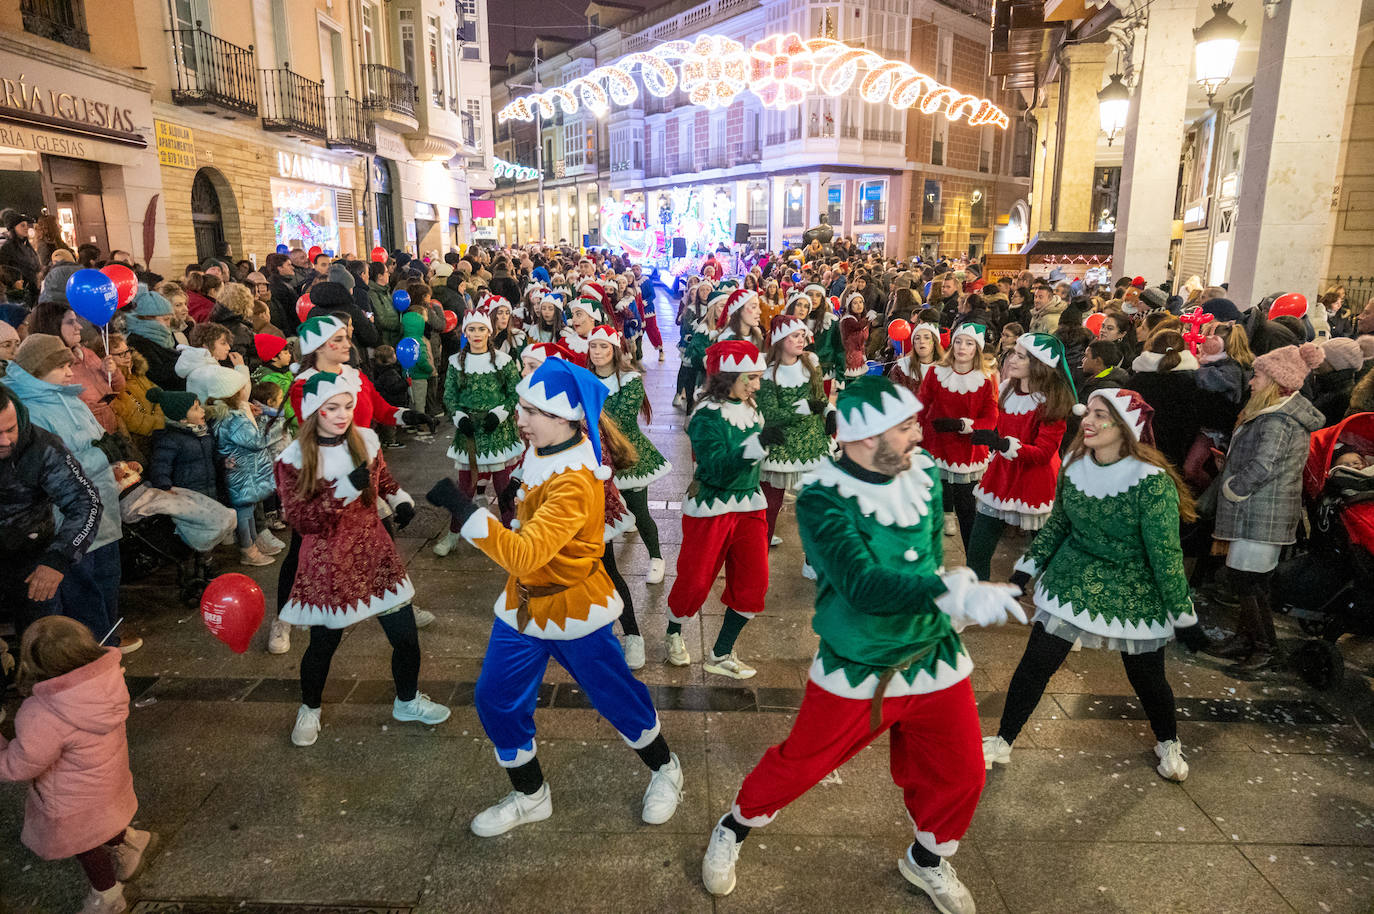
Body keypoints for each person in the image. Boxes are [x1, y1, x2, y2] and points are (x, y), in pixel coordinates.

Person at [701, 375, 1024, 913]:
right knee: (801, 763)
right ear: (862, 437)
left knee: (962, 772)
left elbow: (923, 560)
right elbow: (862, 584)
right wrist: (951, 593)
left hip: (932, 657)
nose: (918, 437)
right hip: (860, 664)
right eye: (904, 428)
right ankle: (734, 826)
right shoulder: (824, 500)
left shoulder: (920, 473)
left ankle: (925, 862)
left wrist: (955, 605)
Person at [425, 357, 684, 837]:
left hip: (573, 609)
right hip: (523, 607)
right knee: (496, 698)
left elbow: (524, 554)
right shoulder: (547, 450)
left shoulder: (574, 481)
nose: (519, 418)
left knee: (615, 696)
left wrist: (464, 509)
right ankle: (530, 795)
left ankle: (666, 768)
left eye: (530, 410)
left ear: (564, 417)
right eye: (520, 407)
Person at [985, 389, 1198, 781]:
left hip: (1133, 585)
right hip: (1074, 576)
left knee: (1147, 677)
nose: (1088, 421)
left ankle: (1168, 740)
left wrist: (1183, 614)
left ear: (1125, 428)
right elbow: (1059, 525)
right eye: (1089, 412)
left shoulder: (1152, 483)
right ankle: (1002, 740)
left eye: (1102, 415)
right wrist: (1025, 571)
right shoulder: (1074, 466)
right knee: (1037, 662)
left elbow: (1165, 552)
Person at [275, 371, 446, 746]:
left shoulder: (366, 440)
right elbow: (302, 519)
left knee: (405, 637)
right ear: (313, 411)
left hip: (373, 551)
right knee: (323, 643)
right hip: (328, 559)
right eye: (331, 408)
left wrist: (399, 498)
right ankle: (310, 708)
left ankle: (407, 700)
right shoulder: (293, 459)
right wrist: (345, 490)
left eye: (347, 406)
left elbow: (381, 477)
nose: (342, 415)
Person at [0, 616, 155, 914]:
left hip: (72, 800)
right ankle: (130, 841)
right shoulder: (106, 681)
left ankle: (107, 896)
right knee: (103, 821)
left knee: (85, 846)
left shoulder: (42, 713)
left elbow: (21, 766)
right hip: (108, 781)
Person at [4, 336, 134, 653]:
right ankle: (91, 652)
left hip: (101, 508)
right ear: (38, 368)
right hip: (69, 524)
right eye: (61, 366)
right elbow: (55, 471)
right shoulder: (28, 412)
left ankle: (108, 640)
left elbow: (92, 441)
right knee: (83, 591)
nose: (70, 372)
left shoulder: (70, 398)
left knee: (106, 580)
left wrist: (111, 456)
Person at [1204, 344, 1325, 673]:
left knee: (1249, 582)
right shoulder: (1272, 413)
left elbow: (1263, 466)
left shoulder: (1279, 420)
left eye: (1257, 376)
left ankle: (1265, 648)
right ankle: (1247, 639)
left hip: (1261, 512)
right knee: (1245, 580)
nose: (1251, 382)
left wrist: (1233, 487)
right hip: (1255, 511)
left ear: (1275, 382)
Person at [666, 340, 771, 679]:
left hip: (750, 505)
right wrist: (758, 445)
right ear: (729, 376)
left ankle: (721, 652)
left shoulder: (751, 406)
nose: (756, 385)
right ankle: (673, 632)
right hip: (711, 506)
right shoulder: (705, 415)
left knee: (754, 581)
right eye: (751, 378)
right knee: (695, 582)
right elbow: (716, 468)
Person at [966, 333, 1080, 581]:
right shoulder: (1007, 389)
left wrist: (1001, 443)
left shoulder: (1053, 400)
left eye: (1020, 355)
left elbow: (1043, 453)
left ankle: (1047, 607)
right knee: (977, 550)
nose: (1012, 360)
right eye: (1013, 353)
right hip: (1002, 476)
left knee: (1045, 555)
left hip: (1035, 482)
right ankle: (976, 602)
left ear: (1038, 363)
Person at [0, 385, 102, 638]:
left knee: (42, 641)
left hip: (30, 560)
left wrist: (59, 558)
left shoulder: (42, 447)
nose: (4, 441)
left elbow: (85, 502)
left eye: (10, 430)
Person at [433, 309, 525, 555]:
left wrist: (501, 413)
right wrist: (459, 416)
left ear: (489, 332)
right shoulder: (455, 362)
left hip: (498, 432)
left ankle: (511, 535)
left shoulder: (503, 361)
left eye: (481, 329)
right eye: (471, 329)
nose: (476, 334)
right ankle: (453, 535)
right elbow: (449, 395)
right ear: (465, 332)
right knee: (465, 487)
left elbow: (515, 391)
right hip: (469, 433)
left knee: (504, 486)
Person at [588, 323, 671, 587]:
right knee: (602, 512)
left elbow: (621, 418)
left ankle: (657, 557)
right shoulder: (585, 378)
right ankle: (606, 567)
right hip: (595, 458)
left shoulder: (631, 379)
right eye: (593, 346)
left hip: (627, 457)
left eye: (603, 346)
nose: (598, 352)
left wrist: (584, 418)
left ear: (614, 350)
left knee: (639, 510)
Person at [757, 314, 834, 575]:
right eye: (795, 336)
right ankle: (757, 560)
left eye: (802, 335)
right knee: (769, 507)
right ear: (780, 340)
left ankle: (812, 559)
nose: (802, 340)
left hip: (813, 444)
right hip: (781, 447)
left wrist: (829, 412)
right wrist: (804, 408)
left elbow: (820, 397)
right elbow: (770, 414)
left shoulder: (811, 363)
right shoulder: (769, 375)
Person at [917, 323, 999, 550]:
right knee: (931, 507)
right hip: (936, 447)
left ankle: (974, 563)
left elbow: (991, 418)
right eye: (959, 341)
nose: (962, 347)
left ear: (977, 349)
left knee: (966, 510)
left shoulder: (986, 378)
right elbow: (921, 406)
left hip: (967, 452)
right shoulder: (936, 372)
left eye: (969, 343)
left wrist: (964, 425)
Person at [207, 375, 279, 567]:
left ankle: (254, 544)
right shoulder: (234, 420)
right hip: (242, 471)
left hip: (245, 471)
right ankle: (248, 550)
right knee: (244, 511)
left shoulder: (230, 416)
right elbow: (257, 441)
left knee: (248, 507)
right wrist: (270, 419)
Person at [28, 301, 126, 437]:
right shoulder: (49, 371)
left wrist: (112, 373)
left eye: (77, 321)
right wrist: (96, 409)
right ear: (51, 327)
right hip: (91, 440)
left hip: (115, 432)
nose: (79, 326)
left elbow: (119, 388)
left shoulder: (87, 353)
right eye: (70, 322)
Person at [107, 333, 164, 460]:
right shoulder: (114, 387)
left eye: (127, 351)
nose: (127, 356)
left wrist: (161, 418)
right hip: (144, 442)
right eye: (120, 354)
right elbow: (134, 420)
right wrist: (162, 422)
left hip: (158, 430)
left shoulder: (138, 373)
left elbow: (160, 395)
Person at [891, 323, 943, 395]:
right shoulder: (901, 368)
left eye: (927, 338)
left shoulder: (946, 369)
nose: (922, 341)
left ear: (934, 342)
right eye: (917, 338)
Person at [0, 210, 40, 301]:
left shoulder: (27, 246)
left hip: (33, 292)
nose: (26, 228)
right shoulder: (7, 248)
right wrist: (14, 283)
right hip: (20, 295)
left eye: (26, 225)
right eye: (22, 225)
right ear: (13, 228)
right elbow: (3, 270)